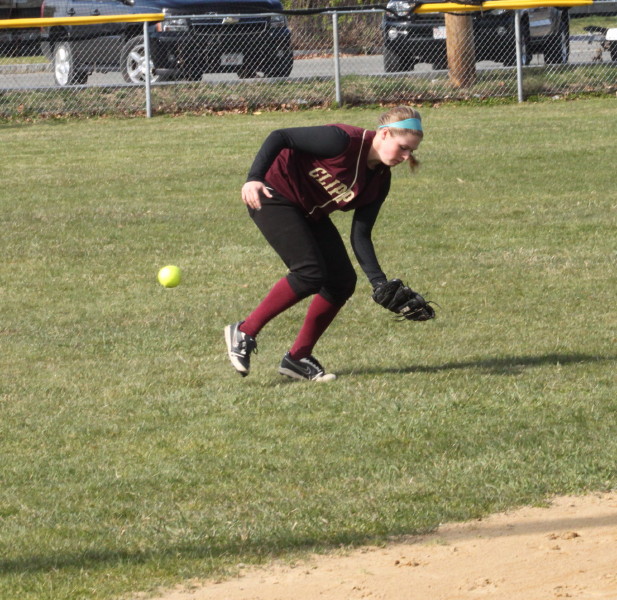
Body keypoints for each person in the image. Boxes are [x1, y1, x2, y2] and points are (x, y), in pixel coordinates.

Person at [224, 106, 424, 382]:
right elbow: (280, 136)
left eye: (411, 151)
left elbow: (361, 235)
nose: (406, 156)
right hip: (271, 194)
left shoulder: (379, 180)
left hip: (309, 212)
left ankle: (298, 357)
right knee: (309, 273)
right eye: (403, 148)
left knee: (342, 281)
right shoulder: (342, 141)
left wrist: (379, 283)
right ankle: (245, 331)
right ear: (385, 134)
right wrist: (254, 178)